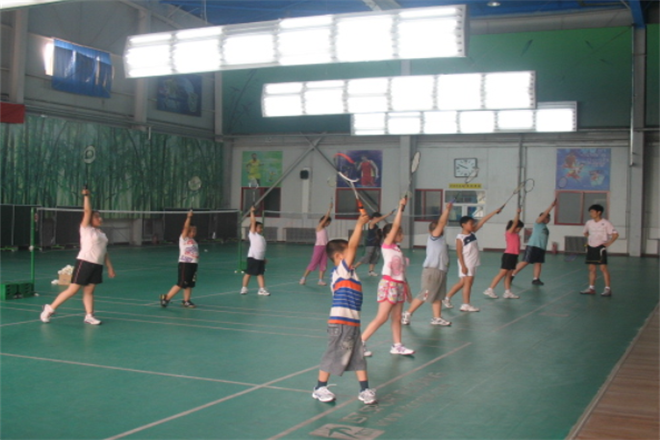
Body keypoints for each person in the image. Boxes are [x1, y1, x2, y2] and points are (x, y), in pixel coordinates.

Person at [312, 211, 376, 405]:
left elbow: (353, 248)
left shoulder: (350, 273)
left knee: (358, 357)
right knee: (333, 355)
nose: (352, 254)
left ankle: (364, 390)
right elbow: (354, 246)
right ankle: (319, 388)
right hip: (340, 323)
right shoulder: (341, 271)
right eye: (349, 252)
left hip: (353, 323)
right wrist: (359, 225)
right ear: (339, 256)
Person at [40, 187, 115, 325]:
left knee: (89, 291)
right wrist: (86, 196)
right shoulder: (86, 229)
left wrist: (110, 267)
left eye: (100, 216)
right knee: (73, 290)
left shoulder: (102, 234)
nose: (100, 218)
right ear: (90, 219)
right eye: (96, 216)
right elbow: (87, 211)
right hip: (85, 262)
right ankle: (49, 309)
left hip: (97, 265)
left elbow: (104, 252)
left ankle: (89, 316)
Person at [361, 197, 414, 357]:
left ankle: (397, 346)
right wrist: (401, 207)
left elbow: (402, 273)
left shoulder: (398, 250)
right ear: (389, 235)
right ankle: (359, 343)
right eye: (399, 232)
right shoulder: (387, 246)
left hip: (399, 286)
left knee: (396, 317)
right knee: (382, 317)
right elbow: (395, 224)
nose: (402, 235)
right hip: (389, 285)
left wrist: (408, 292)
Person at [401, 202, 453, 327]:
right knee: (425, 294)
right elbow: (441, 223)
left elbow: (442, 223)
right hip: (432, 271)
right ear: (431, 231)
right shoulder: (434, 238)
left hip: (441, 271)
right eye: (437, 228)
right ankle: (407, 313)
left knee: (438, 296)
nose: (440, 228)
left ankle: (437, 318)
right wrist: (447, 210)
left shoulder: (441, 239)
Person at [443, 207, 502, 312]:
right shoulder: (460, 238)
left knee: (462, 283)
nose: (473, 225)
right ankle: (465, 304)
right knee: (468, 283)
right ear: (463, 225)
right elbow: (459, 253)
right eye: (470, 223)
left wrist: (494, 211)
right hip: (467, 263)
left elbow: (483, 220)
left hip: (472, 262)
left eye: (473, 223)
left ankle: (447, 298)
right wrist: (463, 266)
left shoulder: (472, 233)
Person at [511, 199, 556, 285]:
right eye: (546, 217)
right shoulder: (538, 223)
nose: (547, 219)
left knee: (538, 263)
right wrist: (551, 206)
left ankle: (536, 279)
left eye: (548, 218)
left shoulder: (545, 227)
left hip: (541, 248)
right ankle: (512, 274)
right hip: (533, 246)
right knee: (525, 261)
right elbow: (544, 215)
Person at [160, 210, 198, 308]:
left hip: (193, 264)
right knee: (181, 283)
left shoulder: (193, 240)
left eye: (195, 231)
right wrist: (189, 217)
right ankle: (166, 299)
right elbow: (186, 227)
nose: (194, 233)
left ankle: (186, 301)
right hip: (185, 263)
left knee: (189, 284)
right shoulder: (183, 238)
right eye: (192, 231)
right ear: (187, 231)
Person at [484, 209, 524, 300]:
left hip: (514, 256)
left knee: (509, 275)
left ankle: (507, 292)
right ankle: (490, 289)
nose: (519, 229)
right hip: (508, 255)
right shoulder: (509, 233)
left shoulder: (516, 234)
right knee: (502, 273)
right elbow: (515, 222)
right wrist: (518, 213)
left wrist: (517, 257)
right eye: (518, 228)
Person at [580, 204, 619, 296]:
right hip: (590, 247)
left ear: (599, 212)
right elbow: (585, 232)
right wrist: (590, 239)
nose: (590, 213)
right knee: (591, 268)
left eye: (592, 212)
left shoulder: (606, 223)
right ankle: (591, 288)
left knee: (603, 268)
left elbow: (615, 234)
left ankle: (607, 289)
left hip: (600, 248)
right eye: (590, 212)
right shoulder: (589, 223)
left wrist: (609, 243)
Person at [300, 202, 333, 286]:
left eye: (329, 223)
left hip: (325, 248)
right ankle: (303, 278)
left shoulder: (324, 229)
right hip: (319, 247)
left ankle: (320, 280)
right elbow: (326, 217)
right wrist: (330, 209)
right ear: (323, 221)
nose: (328, 224)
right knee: (313, 262)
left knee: (323, 264)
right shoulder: (319, 227)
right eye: (327, 222)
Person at [240, 207, 270, 296]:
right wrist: (251, 212)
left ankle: (261, 289)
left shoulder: (261, 237)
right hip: (253, 258)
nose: (261, 229)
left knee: (260, 274)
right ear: (254, 228)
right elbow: (253, 221)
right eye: (260, 227)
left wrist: (263, 258)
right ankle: (244, 288)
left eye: (262, 228)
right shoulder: (253, 234)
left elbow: (261, 249)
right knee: (248, 273)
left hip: (260, 259)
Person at [354, 211, 392, 276]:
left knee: (375, 257)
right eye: (377, 217)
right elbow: (378, 220)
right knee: (367, 256)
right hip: (370, 244)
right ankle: (354, 267)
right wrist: (388, 214)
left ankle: (371, 271)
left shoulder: (377, 227)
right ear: (374, 218)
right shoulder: (371, 223)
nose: (379, 219)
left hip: (377, 244)